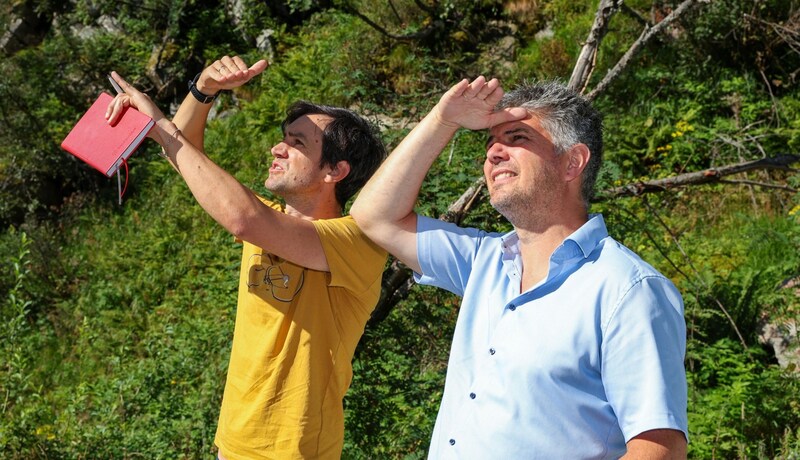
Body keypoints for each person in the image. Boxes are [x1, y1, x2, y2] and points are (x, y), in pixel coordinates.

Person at [350, 76, 688, 459]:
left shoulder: (627, 288)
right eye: (490, 143)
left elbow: (659, 448)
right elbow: (374, 216)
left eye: (517, 138)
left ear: (572, 162)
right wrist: (444, 120)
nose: (493, 153)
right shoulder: (483, 261)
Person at [106, 56, 387, 459]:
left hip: (295, 451)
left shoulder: (356, 241)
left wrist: (161, 126)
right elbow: (186, 159)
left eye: (297, 143)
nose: (278, 147)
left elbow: (241, 217)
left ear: (336, 171)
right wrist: (203, 89)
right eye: (284, 137)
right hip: (234, 443)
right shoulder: (267, 221)